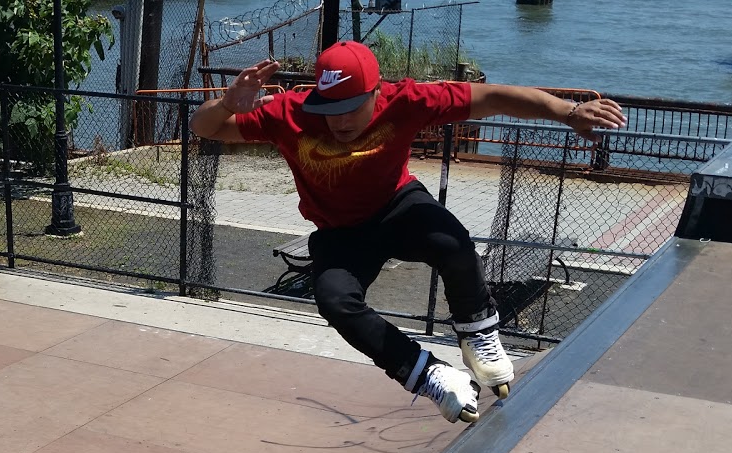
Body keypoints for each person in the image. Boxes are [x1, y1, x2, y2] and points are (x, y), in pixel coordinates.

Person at [190, 42, 626, 423]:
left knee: (452, 242)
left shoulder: (407, 100)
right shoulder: (291, 113)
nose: (339, 122)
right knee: (334, 300)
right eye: (330, 109)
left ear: (377, 93)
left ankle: (478, 334)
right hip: (341, 232)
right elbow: (204, 128)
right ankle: (431, 375)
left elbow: (494, 96)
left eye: (350, 109)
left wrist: (568, 112)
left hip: (398, 206)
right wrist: (228, 104)